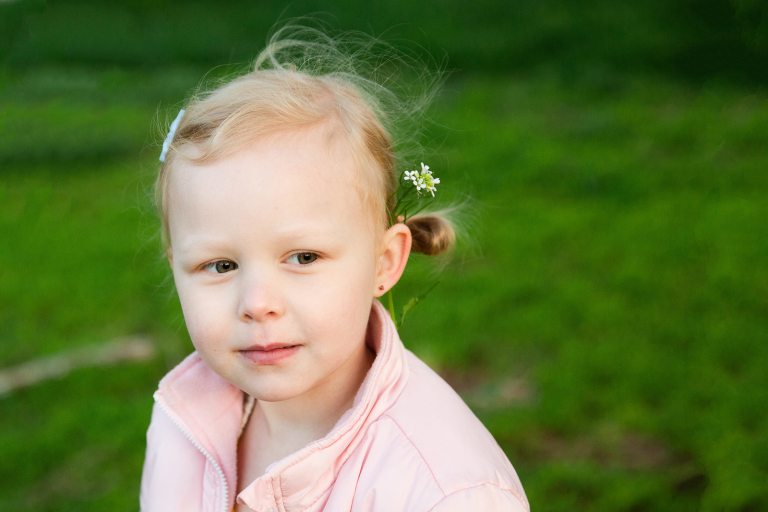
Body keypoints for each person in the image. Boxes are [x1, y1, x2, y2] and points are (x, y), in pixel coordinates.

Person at [140, 25, 528, 512]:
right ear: (175, 267)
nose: (258, 304)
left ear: (384, 261)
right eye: (220, 264)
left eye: (303, 258)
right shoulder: (185, 420)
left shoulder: (444, 492)